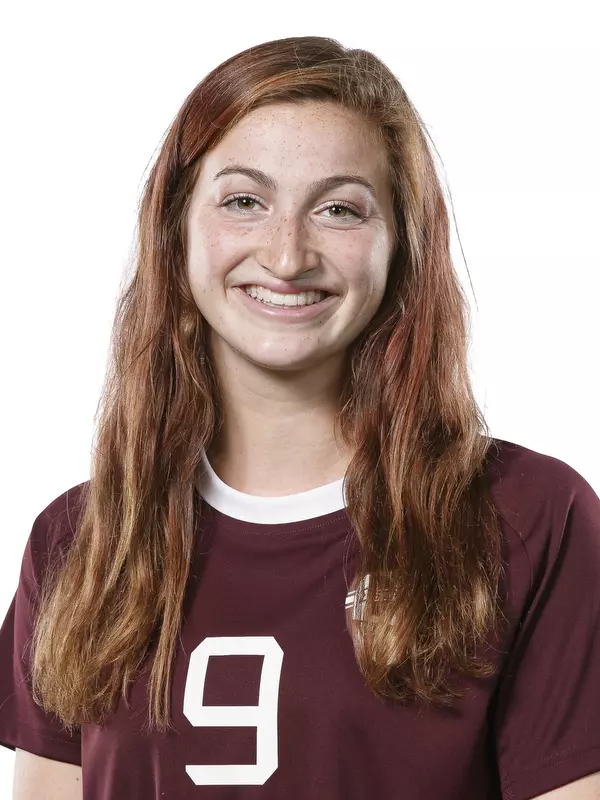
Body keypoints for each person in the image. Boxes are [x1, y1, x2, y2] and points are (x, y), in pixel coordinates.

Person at [1, 35, 599, 800]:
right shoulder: (80, 542)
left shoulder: (529, 518)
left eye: (339, 209)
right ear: (176, 228)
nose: (287, 256)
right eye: (244, 202)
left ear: (401, 245)